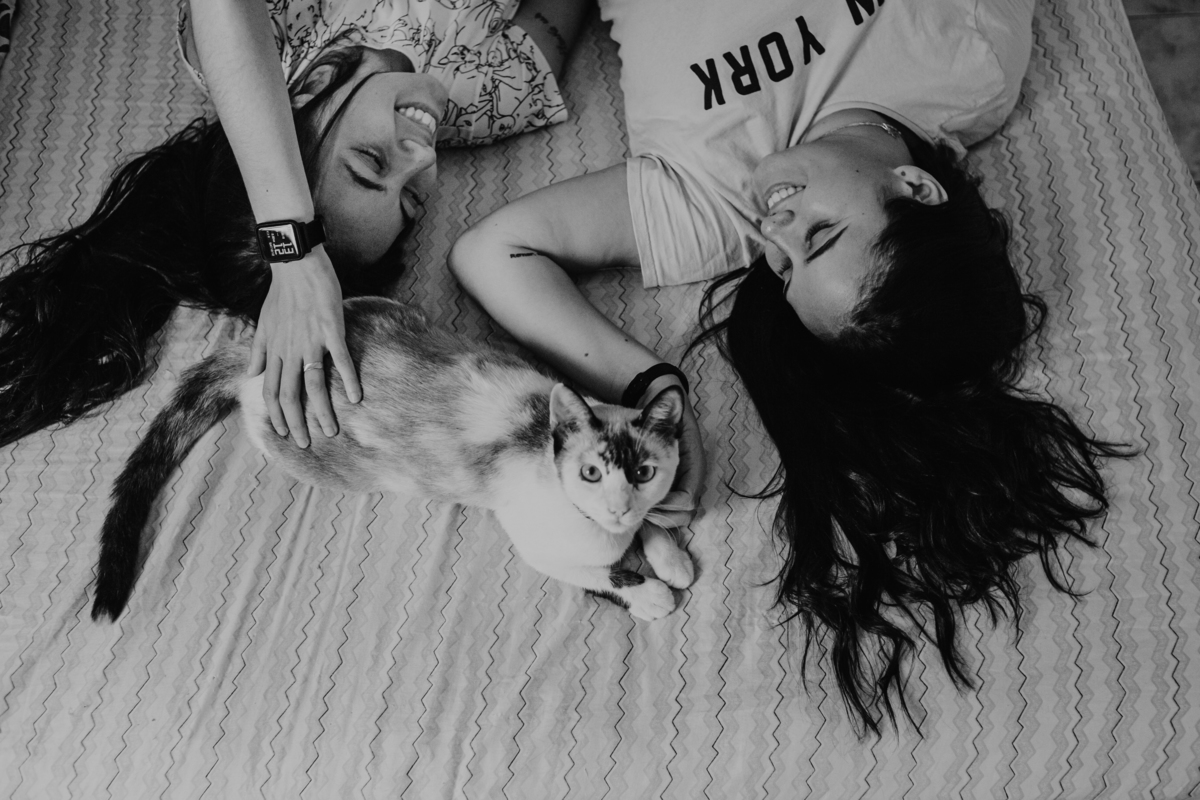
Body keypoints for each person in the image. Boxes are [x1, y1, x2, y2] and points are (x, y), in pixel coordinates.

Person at [448, 0, 1125, 734]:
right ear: (916, 187)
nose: (776, 228)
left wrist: (650, 387)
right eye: (822, 233)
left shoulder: (711, 208)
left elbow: (492, 252)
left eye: (785, 265)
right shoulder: (973, 62)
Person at [0, 0, 589, 450]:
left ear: (310, 90)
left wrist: (295, 253)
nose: (421, 159)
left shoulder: (267, 54)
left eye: (370, 163)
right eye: (411, 199)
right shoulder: (496, 97)